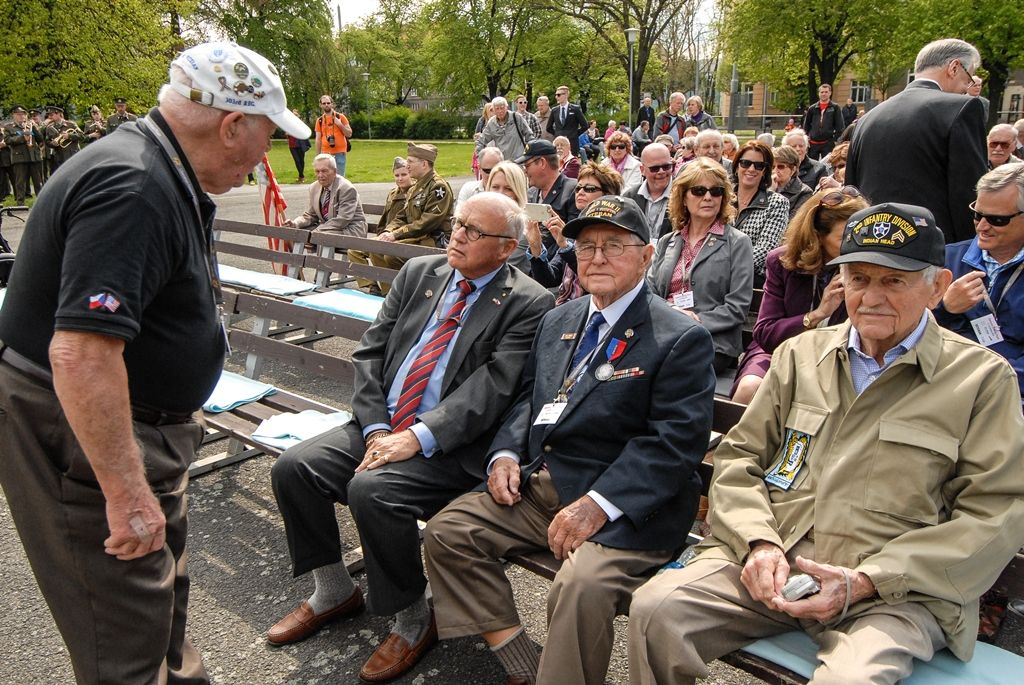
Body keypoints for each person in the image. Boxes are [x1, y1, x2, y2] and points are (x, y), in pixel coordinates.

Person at [0, 41, 307, 685]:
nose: (266, 155)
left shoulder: (153, 164)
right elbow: (82, 353)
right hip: (90, 436)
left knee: (157, 605)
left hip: (128, 426)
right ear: (231, 125)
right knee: (124, 640)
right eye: (268, 137)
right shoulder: (135, 186)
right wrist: (128, 491)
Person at [629, 201, 1024, 685]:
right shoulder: (802, 355)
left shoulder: (979, 379)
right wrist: (758, 543)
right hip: (777, 563)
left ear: (938, 286)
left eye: (893, 280)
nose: (871, 297)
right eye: (858, 278)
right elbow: (739, 458)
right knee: (656, 609)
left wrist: (866, 581)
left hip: (894, 595)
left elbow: (995, 513)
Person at [424, 195, 716, 685]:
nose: (597, 258)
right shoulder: (561, 318)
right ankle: (523, 661)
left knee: (581, 586)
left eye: (613, 246)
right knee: (449, 532)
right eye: (586, 247)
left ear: (646, 256)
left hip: (627, 507)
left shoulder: (678, 337)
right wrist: (503, 454)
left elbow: (673, 445)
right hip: (548, 485)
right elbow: (529, 400)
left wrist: (599, 505)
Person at [267, 192, 554, 682]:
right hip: (383, 423)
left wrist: (417, 438)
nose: (457, 235)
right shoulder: (421, 274)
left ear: (506, 249)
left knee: (374, 492)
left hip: (451, 445)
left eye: (472, 231)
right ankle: (334, 590)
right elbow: (371, 353)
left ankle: (413, 617)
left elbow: (495, 388)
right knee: (294, 468)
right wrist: (378, 428)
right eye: (458, 224)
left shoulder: (528, 301)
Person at [730, 187, 869, 403]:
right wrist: (818, 314)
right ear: (817, 236)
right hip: (782, 349)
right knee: (750, 389)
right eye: (845, 238)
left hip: (839, 358)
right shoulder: (783, 262)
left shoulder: (868, 270)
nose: (855, 245)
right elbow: (766, 335)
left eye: (861, 235)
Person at [847, 38, 987, 243]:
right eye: (968, 79)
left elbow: (852, 191)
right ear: (954, 67)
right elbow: (969, 191)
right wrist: (970, 250)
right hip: (933, 248)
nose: (967, 88)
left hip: (872, 244)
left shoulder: (868, 118)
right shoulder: (962, 108)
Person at [648, 158, 754, 374]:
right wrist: (671, 315)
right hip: (664, 331)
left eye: (716, 191)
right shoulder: (668, 241)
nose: (708, 197)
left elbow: (737, 307)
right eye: (698, 191)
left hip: (711, 340)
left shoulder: (737, 242)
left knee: (664, 368)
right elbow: (650, 293)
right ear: (683, 197)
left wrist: (695, 320)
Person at [934, 163, 1024, 398]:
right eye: (977, 214)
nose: (982, 226)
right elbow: (906, 331)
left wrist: (990, 376)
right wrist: (945, 308)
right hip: (944, 387)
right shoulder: (945, 258)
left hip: (1010, 394)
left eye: (997, 220)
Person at [526, 161, 623, 303]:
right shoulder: (575, 230)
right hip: (565, 305)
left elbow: (595, 278)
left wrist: (565, 245)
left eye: (589, 188)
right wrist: (536, 247)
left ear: (607, 194)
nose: (580, 192)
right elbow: (549, 279)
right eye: (578, 188)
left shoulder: (613, 232)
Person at [371, 142, 454, 293]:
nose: (407, 165)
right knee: (377, 248)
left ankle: (409, 294)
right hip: (418, 237)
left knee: (392, 255)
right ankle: (389, 294)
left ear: (424, 164)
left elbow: (426, 223)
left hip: (435, 240)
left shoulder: (438, 187)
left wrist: (396, 234)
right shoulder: (416, 186)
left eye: (410, 161)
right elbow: (401, 216)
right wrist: (388, 231)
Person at [349, 157, 415, 294]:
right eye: (397, 175)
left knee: (378, 249)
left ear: (411, 175)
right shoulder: (393, 193)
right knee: (354, 251)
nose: (400, 178)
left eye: (404, 174)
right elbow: (386, 218)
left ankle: (389, 292)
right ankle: (371, 286)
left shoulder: (414, 193)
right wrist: (382, 232)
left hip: (401, 236)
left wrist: (391, 234)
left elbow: (409, 220)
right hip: (385, 234)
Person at [732, 141, 791, 284]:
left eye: (759, 166)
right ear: (736, 166)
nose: (751, 169)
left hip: (750, 279)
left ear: (765, 171)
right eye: (745, 163)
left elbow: (765, 249)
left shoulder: (777, 203)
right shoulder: (721, 197)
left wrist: (725, 267)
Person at [517, 139, 579, 258]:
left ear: (541, 162)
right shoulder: (531, 193)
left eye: (527, 165)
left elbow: (574, 240)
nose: (525, 171)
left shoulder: (573, 191)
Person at [285, 153, 367, 240]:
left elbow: (342, 220)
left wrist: (317, 231)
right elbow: (310, 215)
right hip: (328, 229)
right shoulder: (314, 187)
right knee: (296, 232)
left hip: (350, 230)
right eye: (317, 171)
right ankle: (294, 253)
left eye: (324, 171)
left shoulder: (346, 188)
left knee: (319, 237)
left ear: (335, 171)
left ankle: (316, 244)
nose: (320, 175)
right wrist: (295, 223)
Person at [623, 142, 674, 240]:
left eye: (666, 166)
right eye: (654, 168)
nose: (661, 172)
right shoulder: (630, 197)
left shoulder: (684, 195)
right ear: (642, 170)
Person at [2, 105, 44, 204]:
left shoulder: (31, 125)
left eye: (23, 114)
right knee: (20, 182)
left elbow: (40, 139)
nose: (22, 116)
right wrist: (22, 138)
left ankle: (41, 202)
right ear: (13, 115)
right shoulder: (9, 127)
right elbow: (8, 140)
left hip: (34, 156)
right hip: (19, 157)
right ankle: (20, 203)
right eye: (19, 114)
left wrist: (34, 128)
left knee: (38, 181)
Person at [477, 96, 536, 163]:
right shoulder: (491, 123)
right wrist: (480, 159)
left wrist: (530, 153)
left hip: (519, 160)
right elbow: (481, 141)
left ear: (507, 107)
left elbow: (529, 136)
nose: (500, 111)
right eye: (497, 109)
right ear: (493, 110)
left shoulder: (516, 117)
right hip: (502, 163)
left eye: (502, 108)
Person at [801, 83, 845, 160]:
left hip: (828, 142)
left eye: (826, 92)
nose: (824, 94)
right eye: (822, 92)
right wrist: (806, 138)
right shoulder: (812, 108)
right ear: (819, 93)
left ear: (830, 93)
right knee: (812, 165)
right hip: (813, 143)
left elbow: (840, 126)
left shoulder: (835, 108)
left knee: (828, 165)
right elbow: (806, 125)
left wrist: (835, 140)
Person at [315, 94, 353, 176]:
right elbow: (318, 139)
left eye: (328, 103)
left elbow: (349, 133)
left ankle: (339, 189)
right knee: (327, 178)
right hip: (325, 153)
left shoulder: (340, 117)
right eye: (324, 103)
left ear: (332, 104)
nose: (326, 105)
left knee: (339, 178)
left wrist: (340, 124)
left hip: (340, 152)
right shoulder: (320, 120)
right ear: (320, 105)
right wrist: (318, 156)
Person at [772, 144, 813, 218]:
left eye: (781, 167)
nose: (775, 171)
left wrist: (771, 193)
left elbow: (793, 222)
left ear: (793, 170)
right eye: (772, 167)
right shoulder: (762, 188)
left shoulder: (804, 192)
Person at [546, 86, 589, 157]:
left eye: (559, 95)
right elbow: (548, 127)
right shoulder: (554, 110)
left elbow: (585, 125)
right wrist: (558, 134)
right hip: (559, 144)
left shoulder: (575, 109)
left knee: (572, 164)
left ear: (566, 95)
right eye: (556, 95)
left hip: (572, 143)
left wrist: (574, 134)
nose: (556, 97)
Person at [44, 106, 85, 173]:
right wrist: (52, 143)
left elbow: (83, 136)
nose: (50, 117)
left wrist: (69, 136)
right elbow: (47, 141)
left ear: (59, 114)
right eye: (49, 115)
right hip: (58, 157)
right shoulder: (49, 127)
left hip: (72, 155)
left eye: (52, 115)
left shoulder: (71, 124)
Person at [287, 108, 311, 182]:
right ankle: (302, 176)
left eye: (295, 116)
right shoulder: (288, 124)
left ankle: (300, 176)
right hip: (292, 145)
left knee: (301, 160)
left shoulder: (301, 124)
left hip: (300, 144)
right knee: (297, 160)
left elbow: (305, 133)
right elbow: (286, 134)